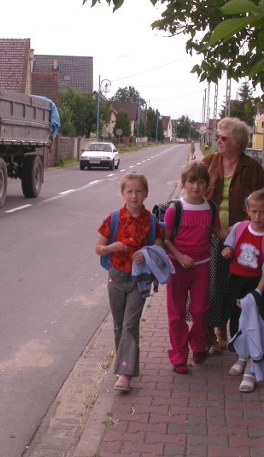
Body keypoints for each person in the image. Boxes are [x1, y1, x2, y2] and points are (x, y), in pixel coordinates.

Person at [201, 117, 264, 354]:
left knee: (236, 285)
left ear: (238, 142)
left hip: (242, 237)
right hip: (212, 235)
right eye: (217, 137)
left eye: (223, 138)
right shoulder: (208, 163)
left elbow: (262, 201)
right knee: (213, 285)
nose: (218, 141)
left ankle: (228, 329)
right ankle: (213, 331)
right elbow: (195, 193)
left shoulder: (253, 169)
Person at [95, 172, 164, 392]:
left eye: (138, 191)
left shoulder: (151, 221)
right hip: (116, 277)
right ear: (123, 194)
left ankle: (125, 372)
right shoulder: (113, 218)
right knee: (118, 325)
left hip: (138, 280)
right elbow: (99, 248)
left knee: (129, 324)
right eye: (129, 191)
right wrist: (112, 247)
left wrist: (146, 255)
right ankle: (124, 362)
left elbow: (159, 249)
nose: (134, 196)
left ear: (146, 194)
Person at [163, 162, 226, 374]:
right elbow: (165, 240)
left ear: (207, 185)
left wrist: (241, 237)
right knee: (177, 313)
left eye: (201, 182)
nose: (196, 186)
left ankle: (198, 345)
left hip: (202, 267)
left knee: (199, 311)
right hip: (177, 268)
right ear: (184, 183)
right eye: (192, 181)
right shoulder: (175, 210)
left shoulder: (211, 208)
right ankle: (179, 355)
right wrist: (179, 257)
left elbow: (219, 231)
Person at [221, 188, 264, 392]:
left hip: (256, 286)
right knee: (236, 321)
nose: (257, 216)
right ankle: (242, 355)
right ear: (247, 210)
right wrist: (227, 250)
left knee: (254, 325)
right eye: (254, 211)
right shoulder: (239, 228)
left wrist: (257, 294)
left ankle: (251, 369)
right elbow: (228, 246)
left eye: (262, 212)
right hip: (236, 281)